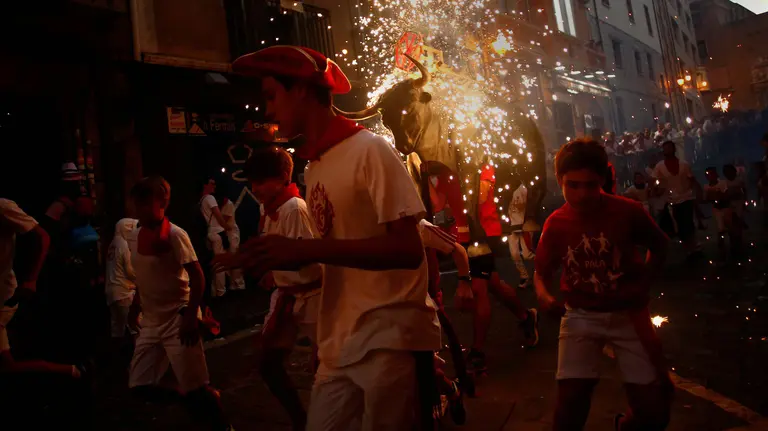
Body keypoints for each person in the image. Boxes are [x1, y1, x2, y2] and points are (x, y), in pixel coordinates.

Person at [225, 45, 441, 430]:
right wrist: (326, 334)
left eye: (272, 96)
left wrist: (304, 250)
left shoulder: (371, 150)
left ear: (301, 90)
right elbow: (338, 255)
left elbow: (408, 249)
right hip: (340, 344)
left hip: (389, 339)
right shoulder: (316, 166)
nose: (267, 110)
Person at [534, 139, 672, 431]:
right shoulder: (556, 223)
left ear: (603, 179)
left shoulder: (628, 211)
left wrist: (644, 282)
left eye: (590, 185)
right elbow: (541, 272)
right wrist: (544, 296)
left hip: (629, 315)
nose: (582, 194)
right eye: (573, 185)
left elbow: (660, 246)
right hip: (580, 316)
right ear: (559, 180)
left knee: (653, 410)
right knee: (571, 402)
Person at [126, 177, 232, 431]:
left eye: (146, 203)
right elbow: (143, 276)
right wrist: (135, 306)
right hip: (151, 321)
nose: (140, 210)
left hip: (177, 317)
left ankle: (222, 425)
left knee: (197, 387)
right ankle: (194, 402)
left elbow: (197, 276)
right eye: (137, 204)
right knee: (139, 385)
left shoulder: (175, 234)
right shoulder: (134, 235)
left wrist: (190, 317)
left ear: (162, 203)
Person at [240, 146, 322, 431]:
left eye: (261, 182)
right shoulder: (273, 209)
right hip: (287, 296)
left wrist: (258, 261)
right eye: (253, 182)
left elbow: (304, 257)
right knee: (269, 363)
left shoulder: (294, 208)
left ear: (283, 178)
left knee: (330, 367)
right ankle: (302, 420)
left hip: (312, 297)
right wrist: (271, 273)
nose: (255, 189)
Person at [463, 163, 539, 374]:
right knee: (493, 284)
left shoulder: (482, 164)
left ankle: (477, 351)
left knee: (479, 288)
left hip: (484, 233)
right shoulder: (457, 165)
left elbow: (479, 198)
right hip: (468, 233)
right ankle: (526, 317)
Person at [1, 198, 83, 378]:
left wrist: (31, 280)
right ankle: (72, 372)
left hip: (5, 296)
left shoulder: (3, 207)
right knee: (7, 364)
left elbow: (42, 237)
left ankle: (74, 372)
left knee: (7, 363)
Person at [653, 140, 702, 258]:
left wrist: (698, 193)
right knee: (676, 225)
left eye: (669, 148)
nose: (667, 150)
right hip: (671, 200)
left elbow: (692, 180)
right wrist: (656, 190)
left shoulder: (684, 164)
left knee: (687, 223)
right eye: (665, 148)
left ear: (674, 149)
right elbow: (655, 181)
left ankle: (691, 246)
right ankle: (685, 247)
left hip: (686, 197)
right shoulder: (659, 166)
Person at [199, 178, 244, 297]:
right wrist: (227, 227)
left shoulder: (202, 200)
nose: (214, 186)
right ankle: (222, 291)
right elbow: (220, 219)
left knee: (217, 263)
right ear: (205, 185)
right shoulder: (210, 198)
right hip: (218, 233)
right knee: (221, 264)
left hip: (211, 233)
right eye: (212, 184)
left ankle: (217, 290)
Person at [105, 218, 138, 344]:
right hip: (124, 292)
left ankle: (116, 354)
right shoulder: (123, 244)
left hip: (112, 292)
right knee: (135, 328)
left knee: (117, 331)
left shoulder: (113, 244)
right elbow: (129, 271)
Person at [507, 176, 535, 288]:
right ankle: (524, 276)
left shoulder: (523, 189)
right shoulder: (506, 191)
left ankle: (542, 269)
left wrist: (527, 221)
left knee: (527, 254)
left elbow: (527, 206)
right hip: (511, 225)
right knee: (514, 254)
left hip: (523, 225)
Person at [703, 167, 737, 258]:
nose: (710, 176)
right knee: (720, 229)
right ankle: (722, 248)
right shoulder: (706, 187)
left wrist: (717, 195)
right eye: (708, 175)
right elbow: (706, 199)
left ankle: (733, 246)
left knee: (729, 227)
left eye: (712, 174)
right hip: (717, 209)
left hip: (726, 208)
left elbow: (726, 195)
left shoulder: (722, 183)